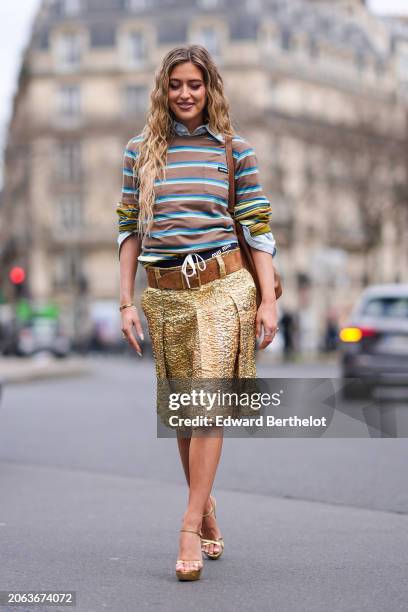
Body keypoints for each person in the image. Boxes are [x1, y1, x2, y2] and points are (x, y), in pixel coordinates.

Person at [116, 44, 279, 582]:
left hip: (223, 286)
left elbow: (256, 225)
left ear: (211, 89)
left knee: (207, 402)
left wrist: (270, 299)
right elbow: (127, 231)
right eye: (176, 85)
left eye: (196, 84)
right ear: (163, 90)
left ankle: (187, 523)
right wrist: (124, 301)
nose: (186, 94)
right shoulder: (138, 152)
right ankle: (204, 503)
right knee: (186, 411)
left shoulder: (234, 150)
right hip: (163, 295)